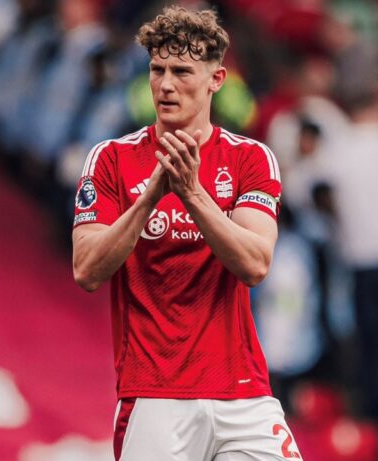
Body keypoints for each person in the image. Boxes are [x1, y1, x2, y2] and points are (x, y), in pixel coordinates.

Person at [71, 6, 302, 461]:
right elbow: (87, 270)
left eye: (181, 71)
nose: (165, 85)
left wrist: (192, 194)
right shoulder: (111, 159)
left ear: (217, 79)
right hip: (154, 394)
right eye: (157, 70)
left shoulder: (250, 159)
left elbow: (255, 264)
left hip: (243, 392)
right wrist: (148, 200)